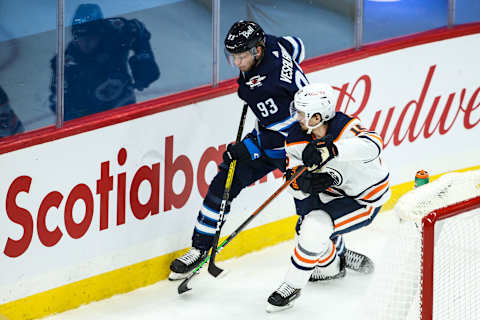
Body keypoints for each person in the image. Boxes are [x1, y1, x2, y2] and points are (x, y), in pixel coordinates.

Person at [168, 20, 308, 280]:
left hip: (296, 147)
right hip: (279, 131)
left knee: (311, 209)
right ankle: (201, 248)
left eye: (241, 57)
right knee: (224, 183)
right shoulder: (274, 43)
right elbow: (297, 46)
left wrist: (248, 148)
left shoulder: (264, 88)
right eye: (233, 57)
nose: (237, 63)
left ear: (257, 51)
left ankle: (335, 258)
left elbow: (278, 135)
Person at [266, 83, 391, 312]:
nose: (298, 117)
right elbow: (293, 175)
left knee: (314, 230)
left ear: (317, 116)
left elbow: (374, 145)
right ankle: (337, 260)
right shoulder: (296, 139)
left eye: (302, 113)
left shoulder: (346, 128)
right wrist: (299, 182)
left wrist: (332, 150)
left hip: (364, 197)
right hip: (332, 194)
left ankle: (294, 284)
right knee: (305, 227)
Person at [49, 3, 160, 121]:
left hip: (123, 101)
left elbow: (138, 30)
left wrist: (144, 59)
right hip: (91, 114)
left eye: (91, 37)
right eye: (80, 37)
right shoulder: (66, 63)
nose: (85, 43)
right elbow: (57, 98)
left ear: (100, 33)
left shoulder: (116, 30)